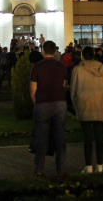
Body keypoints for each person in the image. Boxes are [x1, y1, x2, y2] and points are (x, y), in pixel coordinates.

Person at [30, 41, 68, 176]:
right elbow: (64, 86)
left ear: (43, 51)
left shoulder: (37, 67)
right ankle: (61, 169)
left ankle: (39, 169)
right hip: (60, 104)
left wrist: (37, 103)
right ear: (55, 51)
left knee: (41, 138)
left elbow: (33, 90)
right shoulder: (61, 67)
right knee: (60, 137)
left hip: (42, 104)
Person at [71, 46, 103, 173]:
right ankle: (100, 166)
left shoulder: (78, 70)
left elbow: (73, 90)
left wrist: (76, 104)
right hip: (99, 105)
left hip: (84, 104)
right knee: (99, 137)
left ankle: (88, 166)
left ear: (82, 56)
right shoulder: (102, 68)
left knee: (87, 138)